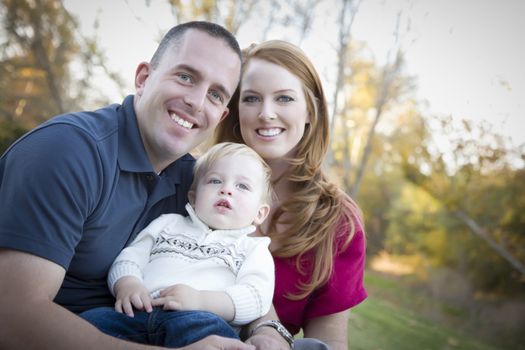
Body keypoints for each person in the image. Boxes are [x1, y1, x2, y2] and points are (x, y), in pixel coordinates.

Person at [0, 21, 257, 350]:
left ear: (220, 115)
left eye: (215, 94)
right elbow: (13, 317)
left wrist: (267, 328)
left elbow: (241, 255)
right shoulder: (67, 151)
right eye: (185, 76)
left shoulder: (198, 184)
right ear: (144, 78)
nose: (196, 101)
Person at [214, 40, 368, 350]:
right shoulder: (199, 182)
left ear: (311, 111)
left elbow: (328, 341)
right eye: (252, 98)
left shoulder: (338, 222)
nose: (266, 113)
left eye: (284, 98)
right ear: (236, 110)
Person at [80, 142, 275, 348]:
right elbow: (130, 257)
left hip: (199, 320)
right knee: (90, 322)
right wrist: (127, 284)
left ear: (260, 213)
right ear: (193, 196)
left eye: (242, 186)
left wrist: (201, 300)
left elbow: (256, 296)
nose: (226, 190)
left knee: (216, 337)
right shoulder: (167, 223)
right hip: (138, 311)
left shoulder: (253, 249)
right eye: (215, 181)